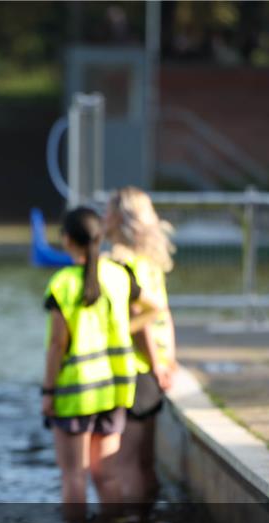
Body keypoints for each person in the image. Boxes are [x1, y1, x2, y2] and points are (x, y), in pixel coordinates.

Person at [40, 207, 161, 521]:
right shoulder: (118, 275)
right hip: (113, 391)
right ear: (100, 237)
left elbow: (57, 345)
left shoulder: (63, 284)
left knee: (74, 475)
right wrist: (126, 329)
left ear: (67, 240)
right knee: (106, 476)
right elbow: (154, 308)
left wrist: (48, 392)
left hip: (74, 393)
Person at [104, 187, 177, 503]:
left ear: (120, 217)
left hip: (134, 367)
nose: (103, 217)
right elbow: (164, 314)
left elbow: (140, 319)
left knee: (125, 463)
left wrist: (155, 363)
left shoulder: (120, 262)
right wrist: (167, 359)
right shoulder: (151, 263)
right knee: (146, 462)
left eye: (107, 210)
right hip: (152, 369)